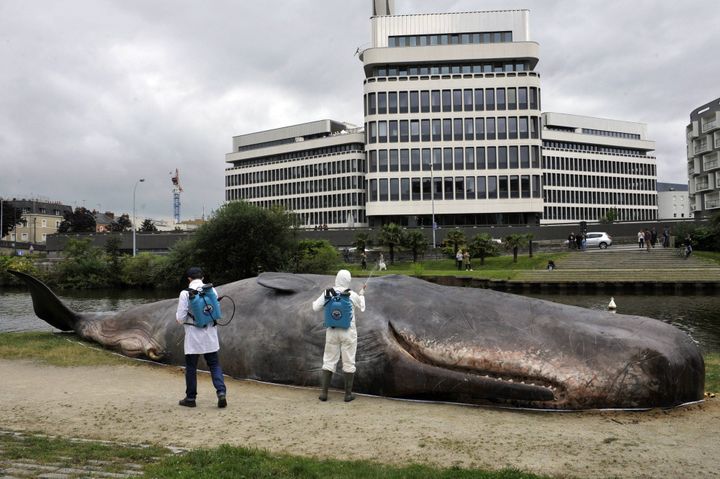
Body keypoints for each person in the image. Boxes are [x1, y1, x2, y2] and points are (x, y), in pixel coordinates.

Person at [176, 267, 227, 408]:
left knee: (191, 367)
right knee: (214, 364)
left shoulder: (185, 293)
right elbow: (215, 310)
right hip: (210, 334)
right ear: (202, 277)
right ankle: (221, 392)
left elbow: (180, 318)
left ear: (189, 279)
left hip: (193, 336)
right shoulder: (211, 290)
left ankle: (191, 399)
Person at [312, 269, 366, 402]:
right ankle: (347, 395)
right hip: (348, 332)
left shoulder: (328, 292)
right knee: (348, 361)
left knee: (329, 360)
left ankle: (324, 393)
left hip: (332, 330)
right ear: (348, 280)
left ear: (337, 279)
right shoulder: (352, 295)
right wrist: (362, 294)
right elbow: (362, 307)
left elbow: (315, 308)